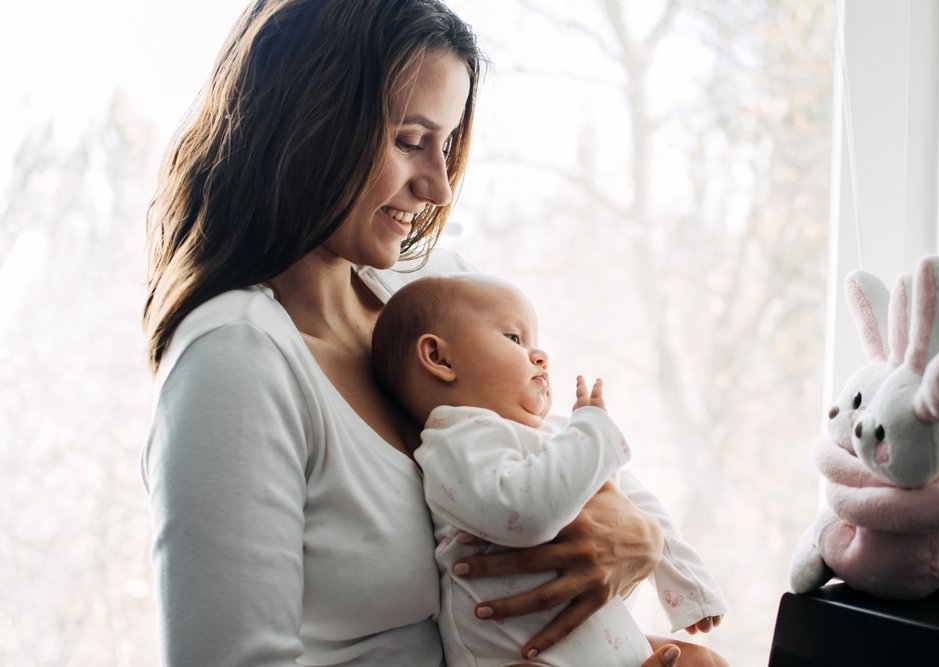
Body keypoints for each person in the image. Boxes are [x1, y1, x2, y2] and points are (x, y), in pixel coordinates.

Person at [141, 0, 729, 665]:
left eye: (446, 144)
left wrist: (640, 539)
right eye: (408, 140)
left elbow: (550, 477)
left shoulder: (427, 296)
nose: (440, 187)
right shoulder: (235, 362)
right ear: (305, 124)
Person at [371, 273, 728, 666]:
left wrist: (688, 585)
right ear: (439, 358)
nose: (540, 355)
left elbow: (640, 506)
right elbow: (526, 514)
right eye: (514, 339)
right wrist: (593, 433)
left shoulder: (557, 433)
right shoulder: (455, 441)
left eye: (536, 341)